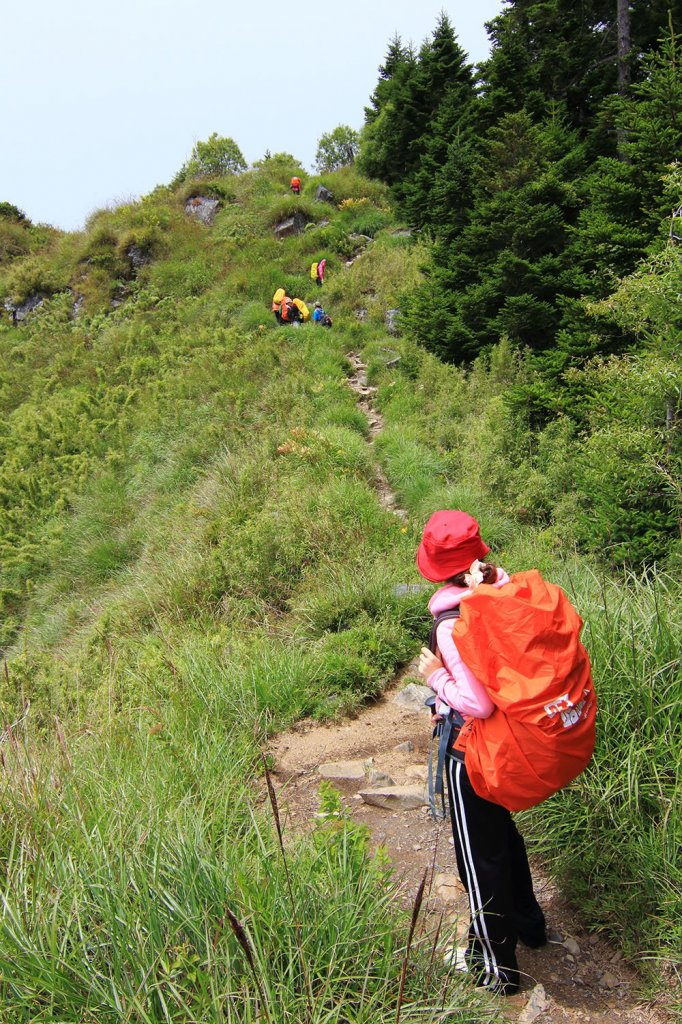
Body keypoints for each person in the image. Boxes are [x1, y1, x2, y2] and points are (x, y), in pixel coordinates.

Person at [416, 510, 546, 997]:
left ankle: (495, 968)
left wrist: (435, 679)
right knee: (502, 837)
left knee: (478, 856)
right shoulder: (500, 590)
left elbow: (477, 702)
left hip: (470, 747)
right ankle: (531, 927)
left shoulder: (451, 621)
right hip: (506, 742)